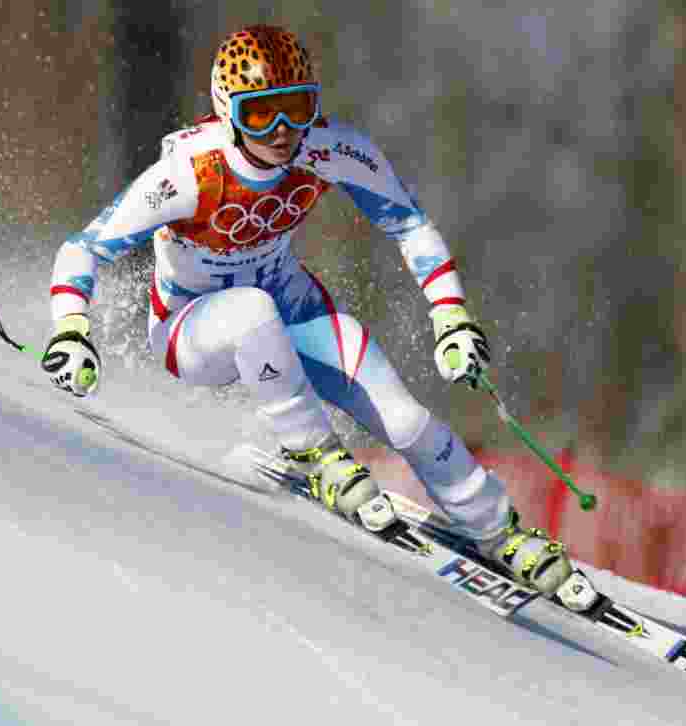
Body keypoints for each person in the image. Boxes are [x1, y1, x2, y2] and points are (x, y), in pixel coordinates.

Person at [41, 25, 576, 598]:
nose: (281, 132)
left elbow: (409, 224)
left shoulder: (330, 150)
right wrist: (71, 330)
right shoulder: (190, 173)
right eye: (259, 115)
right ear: (227, 115)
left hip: (291, 311)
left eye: (296, 110)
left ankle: (499, 529)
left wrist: (451, 319)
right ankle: (315, 454)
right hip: (192, 330)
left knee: (402, 415)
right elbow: (86, 247)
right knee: (250, 311)